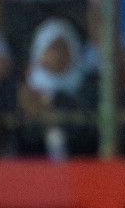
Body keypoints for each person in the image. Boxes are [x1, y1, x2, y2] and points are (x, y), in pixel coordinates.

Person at [17, 17, 97, 158]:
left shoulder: (89, 86)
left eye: (63, 48)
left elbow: (89, 134)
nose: (57, 55)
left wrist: (53, 101)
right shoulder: (24, 89)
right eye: (51, 48)